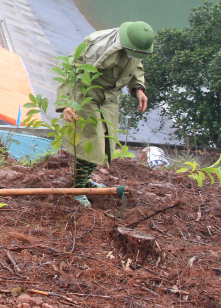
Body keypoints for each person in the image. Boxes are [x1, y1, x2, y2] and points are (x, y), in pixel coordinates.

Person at [56, 21, 152, 208]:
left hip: (108, 99)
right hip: (86, 96)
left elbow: (136, 66)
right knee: (89, 146)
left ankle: (84, 180)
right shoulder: (96, 48)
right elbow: (70, 70)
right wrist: (66, 104)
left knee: (106, 144)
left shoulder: (132, 49)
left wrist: (138, 88)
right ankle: (77, 189)